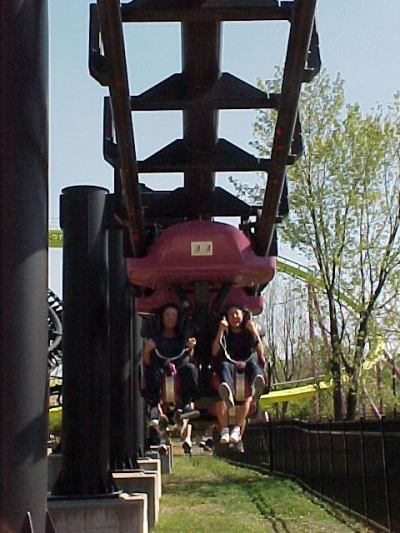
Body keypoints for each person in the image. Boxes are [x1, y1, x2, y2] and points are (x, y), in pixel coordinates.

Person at [143, 303, 200, 450]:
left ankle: (187, 404)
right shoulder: (156, 338)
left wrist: (191, 348)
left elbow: (189, 357)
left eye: (173, 316)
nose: (170, 318)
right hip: (161, 373)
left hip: (179, 373)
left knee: (190, 368)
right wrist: (147, 350)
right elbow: (147, 362)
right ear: (162, 318)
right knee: (152, 370)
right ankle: (154, 406)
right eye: (167, 315)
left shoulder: (181, 338)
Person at [211, 306, 265, 445]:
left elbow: (261, 353)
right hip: (229, 366)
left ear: (243, 315)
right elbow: (215, 352)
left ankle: (256, 384)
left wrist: (254, 331)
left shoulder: (249, 333)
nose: (234, 316)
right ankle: (227, 391)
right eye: (231, 314)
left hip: (246, 366)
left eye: (237, 313)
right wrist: (220, 330)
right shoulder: (225, 334)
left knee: (254, 364)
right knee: (224, 365)